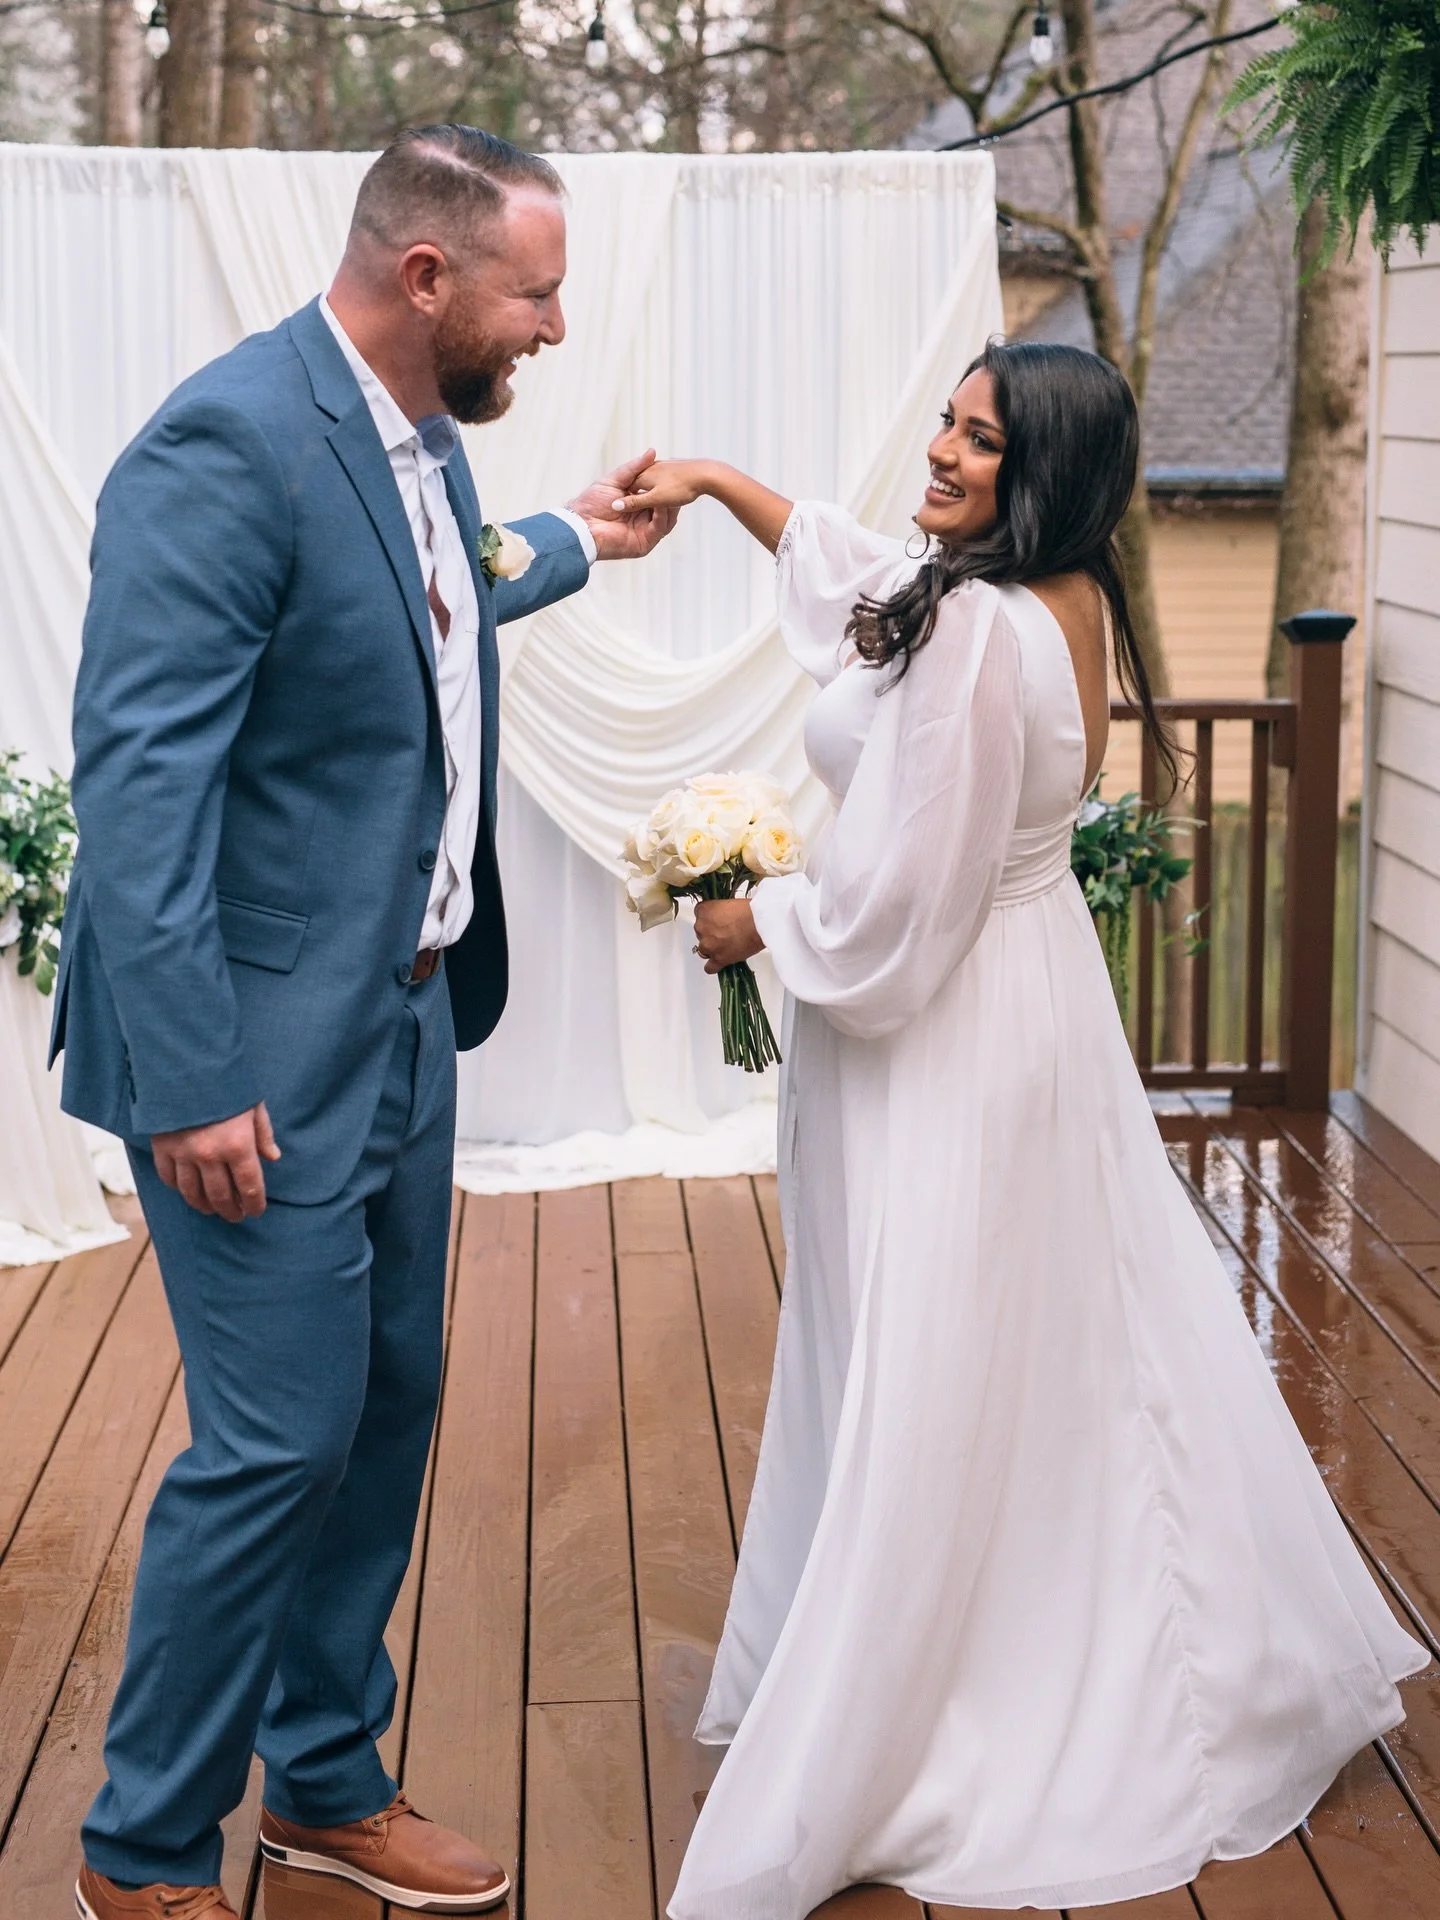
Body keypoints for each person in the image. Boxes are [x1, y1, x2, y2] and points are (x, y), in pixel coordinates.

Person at [612, 339, 1428, 1918]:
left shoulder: (985, 630)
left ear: (1036, 475)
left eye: (979, 440)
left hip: (953, 1029)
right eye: (947, 420)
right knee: (1040, 1339)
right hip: (1028, 997)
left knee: (939, 1348)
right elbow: (861, 572)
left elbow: (906, 902)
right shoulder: (1044, 595)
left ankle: (940, 1705)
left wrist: (759, 921)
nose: (942, 451)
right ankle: (1068, 1621)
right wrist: (716, 486)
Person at [52, 126, 677, 1920]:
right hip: (245, 1053)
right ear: (429, 279)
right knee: (274, 1442)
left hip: (402, 1024)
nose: (554, 328)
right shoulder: (226, 442)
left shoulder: (406, 443)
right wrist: (192, 1081)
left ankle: (322, 1781)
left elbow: (418, 604)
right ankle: (142, 1847)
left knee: (384, 1410)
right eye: (536, 293)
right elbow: (142, 791)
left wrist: (572, 542)